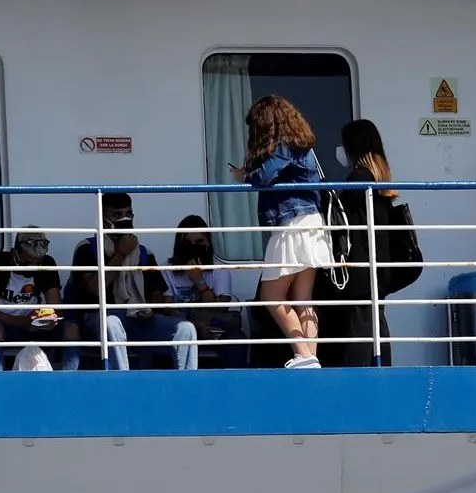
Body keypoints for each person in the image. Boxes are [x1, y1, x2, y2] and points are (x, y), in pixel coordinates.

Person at [234, 96, 334, 369]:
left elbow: (264, 177)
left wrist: (244, 175)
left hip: (292, 224)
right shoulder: (304, 145)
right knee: (303, 299)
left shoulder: (284, 146)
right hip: (312, 222)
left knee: (271, 296)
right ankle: (310, 361)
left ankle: (303, 354)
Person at [316, 118, 411, 369]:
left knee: (355, 341)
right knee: (375, 331)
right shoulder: (380, 181)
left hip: (359, 276)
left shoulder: (359, 180)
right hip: (377, 273)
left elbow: (341, 218)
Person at [66, 193, 193, 370]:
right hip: (99, 319)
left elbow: (157, 292)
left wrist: (151, 309)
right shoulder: (88, 248)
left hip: (138, 318)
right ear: (103, 219)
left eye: (128, 214)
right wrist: (120, 254)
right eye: (116, 215)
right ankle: (122, 384)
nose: (124, 219)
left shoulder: (143, 252)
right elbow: (95, 289)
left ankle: (186, 388)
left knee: (186, 329)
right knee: (112, 322)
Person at [0, 228, 75, 371]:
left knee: (70, 329)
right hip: (2, 324)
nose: (33, 267)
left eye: (37, 263)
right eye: (27, 262)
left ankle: (69, 382)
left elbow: (57, 307)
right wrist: (23, 321)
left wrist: (50, 319)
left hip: (34, 325)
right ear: (15, 252)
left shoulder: (47, 263)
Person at [165, 215, 247, 369]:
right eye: (188, 243)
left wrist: (198, 280)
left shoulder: (219, 270)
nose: (194, 246)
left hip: (214, 326)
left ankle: (234, 388)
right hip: (183, 328)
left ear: (208, 242)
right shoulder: (167, 270)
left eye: (199, 242)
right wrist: (196, 327)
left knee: (237, 340)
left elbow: (220, 308)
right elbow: (168, 311)